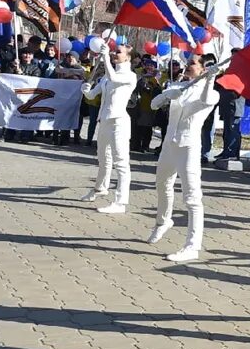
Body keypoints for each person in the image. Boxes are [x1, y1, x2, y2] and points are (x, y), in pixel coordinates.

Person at [148, 59, 220, 263]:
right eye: (188, 62)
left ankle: (192, 245)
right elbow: (154, 105)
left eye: (194, 63)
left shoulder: (211, 91)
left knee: (192, 197)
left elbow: (206, 101)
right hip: (169, 144)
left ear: (204, 69)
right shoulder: (177, 86)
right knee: (162, 184)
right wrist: (165, 94)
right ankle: (163, 222)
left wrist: (210, 79)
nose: (188, 65)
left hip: (188, 146)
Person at [82, 44, 138, 214]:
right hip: (104, 120)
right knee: (103, 158)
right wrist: (86, 90)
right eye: (114, 51)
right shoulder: (106, 77)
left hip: (119, 122)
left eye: (118, 52)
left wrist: (105, 57)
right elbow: (93, 95)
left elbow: (114, 78)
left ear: (128, 57)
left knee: (121, 162)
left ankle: (121, 202)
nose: (114, 54)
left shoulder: (130, 76)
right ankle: (100, 188)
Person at [132, 60, 163, 153]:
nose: (149, 67)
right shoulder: (141, 77)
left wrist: (155, 84)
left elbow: (159, 91)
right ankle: (136, 144)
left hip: (151, 107)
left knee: (147, 128)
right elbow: (136, 89)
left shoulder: (157, 78)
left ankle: (145, 146)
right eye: (148, 65)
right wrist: (142, 82)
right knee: (138, 127)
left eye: (151, 66)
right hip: (140, 105)